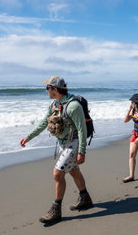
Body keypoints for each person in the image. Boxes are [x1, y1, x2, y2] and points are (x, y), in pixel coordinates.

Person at [19, 76, 93, 223]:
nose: (45, 90)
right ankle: (85, 198)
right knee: (73, 171)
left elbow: (82, 129)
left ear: (54, 89)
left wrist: (82, 151)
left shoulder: (73, 106)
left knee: (57, 174)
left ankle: (56, 209)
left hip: (74, 143)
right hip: (62, 143)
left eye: (47, 88)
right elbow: (43, 123)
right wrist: (29, 137)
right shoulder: (54, 104)